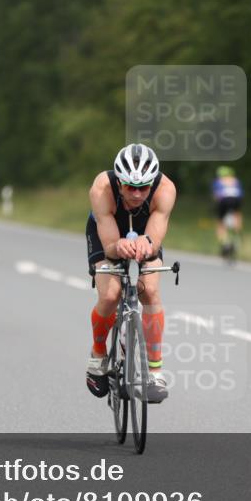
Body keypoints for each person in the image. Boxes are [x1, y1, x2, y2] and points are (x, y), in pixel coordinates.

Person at [85, 143, 176, 403]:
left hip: (145, 230)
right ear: (120, 182)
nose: (136, 194)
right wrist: (117, 246)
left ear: (152, 184)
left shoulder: (166, 189)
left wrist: (147, 245)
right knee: (111, 293)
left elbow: (154, 238)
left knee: (150, 290)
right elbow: (110, 243)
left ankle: (155, 372)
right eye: (130, 188)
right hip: (107, 229)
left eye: (143, 188)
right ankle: (98, 355)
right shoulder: (102, 188)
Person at [212, 165, 243, 256]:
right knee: (237, 215)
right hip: (236, 200)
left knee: (220, 222)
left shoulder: (218, 181)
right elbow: (241, 194)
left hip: (224, 200)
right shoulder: (235, 180)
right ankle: (237, 236)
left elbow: (216, 196)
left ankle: (224, 243)